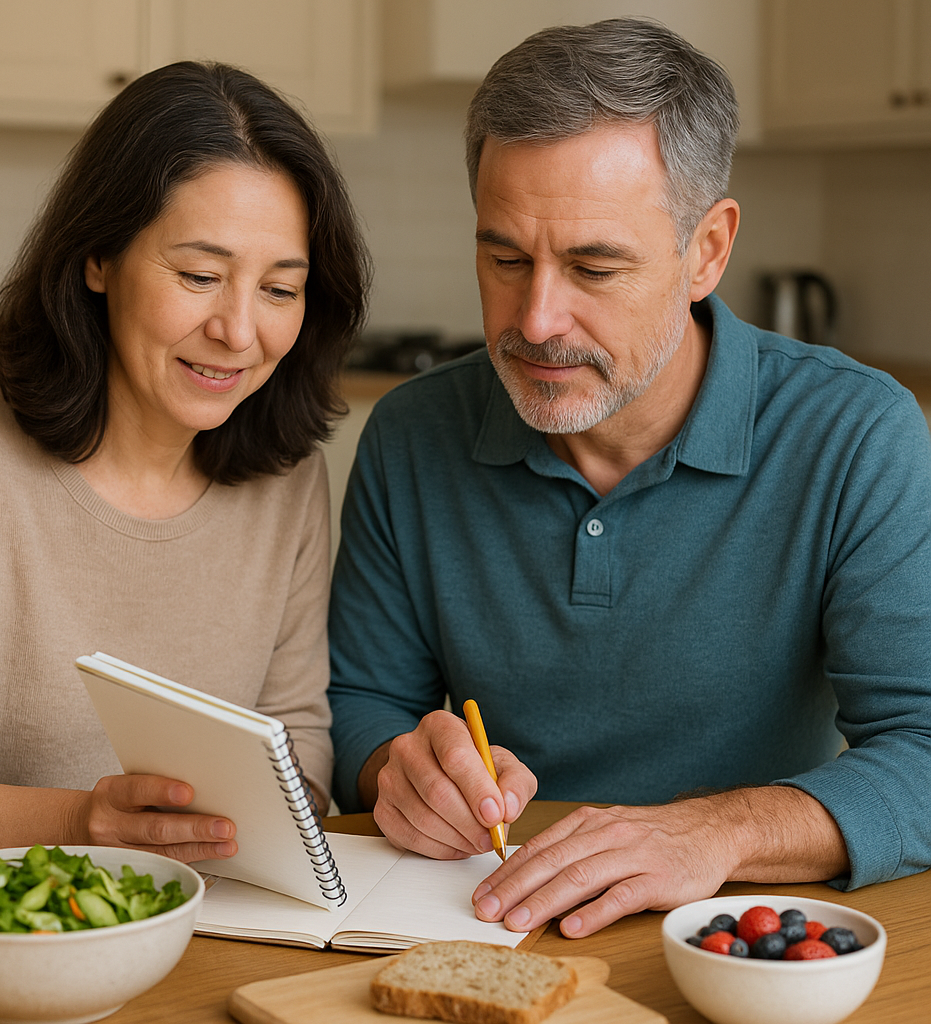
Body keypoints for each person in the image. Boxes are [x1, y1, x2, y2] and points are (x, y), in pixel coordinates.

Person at [328, 18, 931, 939]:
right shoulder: (410, 435)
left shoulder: (855, 434)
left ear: (708, 251)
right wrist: (394, 768)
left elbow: (924, 752)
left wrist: (712, 834)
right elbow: (361, 704)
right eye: (503, 258)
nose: (536, 319)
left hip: (739, 938)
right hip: (488, 916)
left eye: (593, 265)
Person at [0, 61, 369, 866]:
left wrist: (276, 813)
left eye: (280, 290)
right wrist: (82, 826)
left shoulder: (286, 480)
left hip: (214, 924)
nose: (238, 330)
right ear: (98, 257)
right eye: (199, 275)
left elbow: (298, 734)